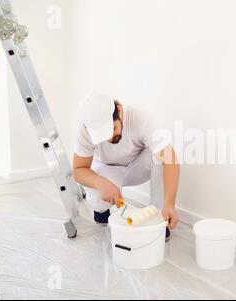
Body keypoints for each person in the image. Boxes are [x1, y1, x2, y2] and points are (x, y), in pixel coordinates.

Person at [72, 93, 179, 240]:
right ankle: (101, 209)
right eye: (103, 136)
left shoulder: (141, 118)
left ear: (119, 111)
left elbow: (170, 158)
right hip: (106, 170)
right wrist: (101, 183)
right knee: (99, 203)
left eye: (113, 129)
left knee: (162, 156)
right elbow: (78, 170)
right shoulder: (85, 129)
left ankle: (159, 218)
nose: (110, 138)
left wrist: (169, 204)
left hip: (137, 166)